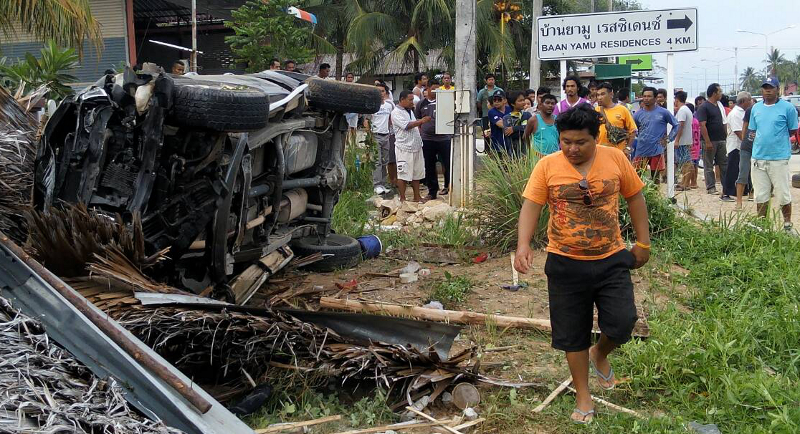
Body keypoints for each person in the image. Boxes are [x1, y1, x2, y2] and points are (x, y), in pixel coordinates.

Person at [515, 104, 650, 425]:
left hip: (612, 257)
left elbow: (635, 197)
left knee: (623, 321)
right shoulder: (547, 167)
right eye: (566, 142)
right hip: (564, 262)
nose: (572, 149)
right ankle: (583, 394)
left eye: (580, 142)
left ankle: (599, 353)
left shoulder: (615, 159)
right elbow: (531, 205)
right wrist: (523, 245)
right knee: (572, 333)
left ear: (596, 137)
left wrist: (643, 242)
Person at [748, 77, 798, 231]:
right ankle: (762, 225)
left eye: (771, 87)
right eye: (765, 88)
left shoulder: (788, 108)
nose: (767, 90)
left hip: (779, 157)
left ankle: (787, 224)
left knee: (782, 193)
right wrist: (753, 136)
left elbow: (792, 130)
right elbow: (752, 130)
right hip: (758, 157)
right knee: (761, 195)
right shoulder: (756, 109)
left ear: (777, 90)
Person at [415, 79, 452, 200]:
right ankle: (432, 191)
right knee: (429, 165)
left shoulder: (445, 102)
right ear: (428, 88)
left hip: (444, 138)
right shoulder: (421, 104)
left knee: (447, 163)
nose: (436, 91)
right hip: (428, 139)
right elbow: (418, 120)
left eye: (438, 88)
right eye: (433, 89)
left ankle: (447, 186)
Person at [391, 90, 431, 202]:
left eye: (412, 100)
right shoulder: (396, 113)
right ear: (402, 99)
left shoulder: (409, 111)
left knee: (416, 172)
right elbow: (407, 125)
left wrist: (419, 121)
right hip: (404, 147)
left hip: (416, 145)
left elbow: (413, 122)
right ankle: (402, 198)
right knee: (403, 173)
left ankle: (417, 196)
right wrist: (422, 121)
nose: (412, 102)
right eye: (410, 100)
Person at [633, 87, 678, 182]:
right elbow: (632, 129)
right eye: (644, 96)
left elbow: (676, 125)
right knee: (637, 177)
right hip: (641, 150)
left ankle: (655, 196)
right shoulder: (637, 114)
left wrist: (668, 139)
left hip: (656, 150)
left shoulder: (663, 112)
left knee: (655, 178)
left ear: (655, 98)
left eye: (649, 96)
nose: (646, 98)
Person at [697, 83, 728, 195]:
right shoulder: (704, 107)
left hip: (721, 140)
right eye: (719, 91)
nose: (721, 93)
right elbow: (702, 125)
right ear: (714, 93)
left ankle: (726, 187)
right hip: (710, 141)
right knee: (709, 165)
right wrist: (707, 141)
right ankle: (711, 187)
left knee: (723, 164)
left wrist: (726, 136)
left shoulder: (719, 106)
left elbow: (723, 122)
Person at [723, 91, 752, 203]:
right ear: (744, 101)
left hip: (741, 145)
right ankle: (726, 193)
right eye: (749, 100)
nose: (750, 103)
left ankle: (742, 191)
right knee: (732, 169)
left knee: (740, 170)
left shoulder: (743, 112)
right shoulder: (735, 113)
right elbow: (738, 131)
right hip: (735, 145)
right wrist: (746, 143)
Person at [595, 82, 637, 155]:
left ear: (611, 94)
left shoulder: (622, 110)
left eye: (602, 94)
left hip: (618, 153)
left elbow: (633, 131)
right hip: (600, 153)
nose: (599, 97)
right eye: (598, 95)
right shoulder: (595, 111)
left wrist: (628, 148)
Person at [369, 84, 396, 195]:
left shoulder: (389, 106)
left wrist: (390, 130)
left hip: (386, 135)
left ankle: (383, 184)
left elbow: (391, 118)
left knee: (385, 161)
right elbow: (367, 120)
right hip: (375, 135)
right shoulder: (372, 106)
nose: (381, 93)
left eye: (383, 91)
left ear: (386, 93)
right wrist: (369, 134)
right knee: (377, 161)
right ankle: (377, 184)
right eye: (378, 91)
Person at [502, 90, 534, 157]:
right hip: (513, 154)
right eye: (520, 101)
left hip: (527, 152)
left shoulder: (527, 115)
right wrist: (524, 129)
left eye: (523, 100)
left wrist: (515, 128)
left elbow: (532, 129)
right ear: (513, 104)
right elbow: (510, 134)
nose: (523, 102)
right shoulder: (507, 118)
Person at [736, 103, 755, 208]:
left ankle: (752, 194)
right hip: (747, 146)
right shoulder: (750, 110)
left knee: (756, 173)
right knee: (743, 173)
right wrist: (743, 142)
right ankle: (739, 202)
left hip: (760, 147)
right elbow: (744, 127)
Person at [673, 91, 694, 190]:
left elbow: (680, 125)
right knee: (685, 161)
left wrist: (676, 140)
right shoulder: (686, 109)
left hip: (682, 140)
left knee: (686, 162)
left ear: (677, 100)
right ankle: (685, 182)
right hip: (686, 139)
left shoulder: (682, 111)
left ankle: (685, 183)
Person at [688, 103, 701, 189]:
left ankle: (691, 181)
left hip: (690, 144)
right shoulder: (696, 120)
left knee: (691, 164)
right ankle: (694, 181)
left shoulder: (689, 121)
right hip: (697, 144)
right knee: (695, 164)